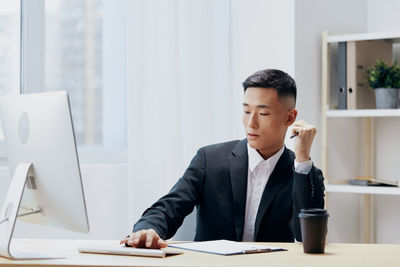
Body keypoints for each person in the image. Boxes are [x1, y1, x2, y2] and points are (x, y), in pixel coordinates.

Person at [120, 69, 325, 249]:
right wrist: (148, 229)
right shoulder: (210, 160)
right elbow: (170, 206)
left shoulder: (303, 173)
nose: (250, 123)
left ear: (289, 118)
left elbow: (307, 237)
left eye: (262, 113)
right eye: (246, 111)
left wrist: (302, 159)